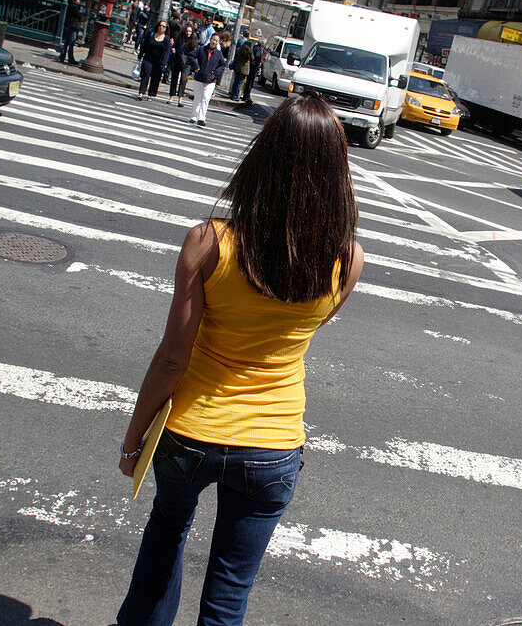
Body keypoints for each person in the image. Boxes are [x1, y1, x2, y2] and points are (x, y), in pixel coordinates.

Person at [115, 94, 364, 626]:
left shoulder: (210, 243)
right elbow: (307, 329)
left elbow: (171, 360)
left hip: (190, 433)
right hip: (272, 445)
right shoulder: (347, 258)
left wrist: (133, 440)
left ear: (262, 157)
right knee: (230, 592)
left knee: (165, 536)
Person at [187, 31, 228, 126]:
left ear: (218, 43)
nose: (214, 42)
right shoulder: (201, 49)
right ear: (210, 40)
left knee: (205, 99)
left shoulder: (218, 54)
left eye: (216, 41)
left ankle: (201, 118)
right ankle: (193, 116)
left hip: (210, 80)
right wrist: (196, 66)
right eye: (213, 40)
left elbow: (222, 65)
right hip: (199, 78)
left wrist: (216, 73)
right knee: (197, 98)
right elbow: (191, 56)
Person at [137, 20, 173, 100]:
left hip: (158, 62)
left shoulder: (166, 38)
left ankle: (150, 94)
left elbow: (167, 51)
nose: (161, 28)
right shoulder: (151, 34)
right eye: (160, 25)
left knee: (155, 78)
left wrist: (164, 63)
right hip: (148, 59)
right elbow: (144, 45)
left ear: (166, 29)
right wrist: (140, 55)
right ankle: (141, 93)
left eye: (164, 27)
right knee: (145, 75)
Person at [168, 24, 198, 108]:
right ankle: (171, 97)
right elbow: (174, 47)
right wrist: (173, 50)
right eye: (187, 31)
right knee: (174, 79)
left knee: (183, 80)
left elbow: (194, 54)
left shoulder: (193, 42)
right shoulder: (180, 39)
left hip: (187, 63)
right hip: (177, 60)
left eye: (190, 31)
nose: (188, 33)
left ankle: (180, 98)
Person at [59, 0, 84, 66]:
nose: (79, 1)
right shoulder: (74, 7)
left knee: (67, 42)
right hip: (73, 26)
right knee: (71, 43)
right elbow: (79, 16)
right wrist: (82, 17)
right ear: (74, 0)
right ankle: (70, 59)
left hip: (69, 25)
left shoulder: (70, 6)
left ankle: (62, 57)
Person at [229, 32, 252, 101]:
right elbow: (252, 58)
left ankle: (232, 94)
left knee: (236, 81)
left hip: (237, 66)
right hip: (243, 68)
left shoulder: (240, 45)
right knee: (240, 82)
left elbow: (236, 55)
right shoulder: (248, 50)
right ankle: (235, 95)